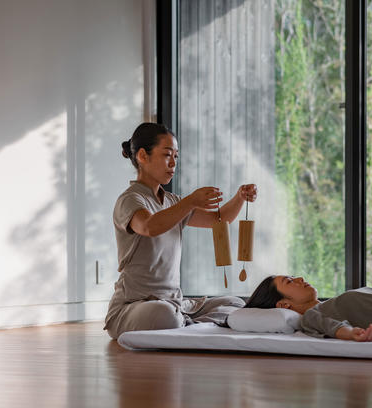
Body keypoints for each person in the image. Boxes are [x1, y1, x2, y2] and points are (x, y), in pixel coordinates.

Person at [104, 122, 257, 339]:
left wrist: (240, 197)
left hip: (175, 303)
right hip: (135, 306)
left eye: (176, 156)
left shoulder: (171, 201)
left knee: (234, 303)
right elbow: (149, 226)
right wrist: (191, 201)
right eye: (167, 155)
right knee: (163, 314)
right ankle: (187, 323)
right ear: (142, 156)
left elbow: (219, 220)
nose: (173, 163)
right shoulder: (130, 199)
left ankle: (186, 322)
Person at [245, 275, 372, 341]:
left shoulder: (329, 304)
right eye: (289, 281)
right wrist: (354, 334)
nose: (300, 278)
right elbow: (335, 328)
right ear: (283, 305)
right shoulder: (311, 316)